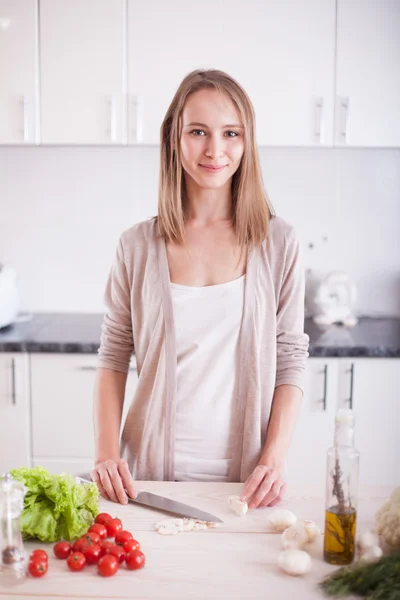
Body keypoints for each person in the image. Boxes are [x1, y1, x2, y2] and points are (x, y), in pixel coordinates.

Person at [91, 69, 309, 510]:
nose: (215, 150)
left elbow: (290, 359)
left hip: (248, 485)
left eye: (231, 133)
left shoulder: (279, 242)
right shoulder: (136, 246)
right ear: (174, 138)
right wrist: (105, 454)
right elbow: (114, 355)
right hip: (148, 480)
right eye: (198, 132)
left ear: (247, 143)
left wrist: (274, 457)